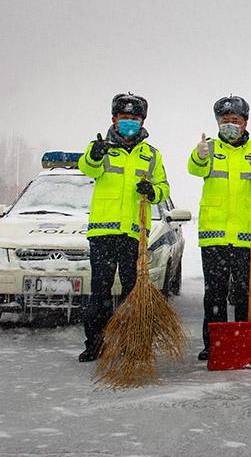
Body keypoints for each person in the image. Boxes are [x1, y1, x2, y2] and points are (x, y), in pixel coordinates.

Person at [76, 93, 170, 362]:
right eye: (125, 118)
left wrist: (152, 191)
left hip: (133, 233)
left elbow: (163, 189)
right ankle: (95, 343)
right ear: (114, 119)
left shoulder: (151, 155)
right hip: (103, 232)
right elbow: (88, 169)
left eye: (135, 118)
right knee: (100, 291)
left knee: (132, 292)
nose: (130, 122)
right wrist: (94, 156)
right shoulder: (101, 148)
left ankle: (133, 342)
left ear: (142, 121)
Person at [188, 95, 251, 360]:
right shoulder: (210, 148)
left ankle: (244, 340)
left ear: (245, 122)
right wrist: (199, 155)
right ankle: (214, 343)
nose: (230, 124)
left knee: (246, 293)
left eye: (235, 120)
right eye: (225, 120)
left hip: (246, 237)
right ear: (218, 122)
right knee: (214, 293)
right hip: (214, 236)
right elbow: (194, 169)